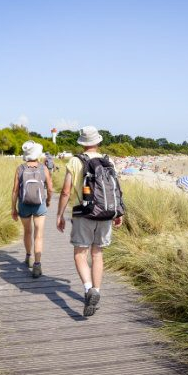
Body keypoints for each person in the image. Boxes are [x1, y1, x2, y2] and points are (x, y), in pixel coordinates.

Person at [56, 126, 124, 317]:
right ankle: (97, 290)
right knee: (97, 254)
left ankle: (89, 290)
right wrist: (118, 213)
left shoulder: (75, 161)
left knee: (80, 254)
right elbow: (115, 189)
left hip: (83, 213)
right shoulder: (108, 160)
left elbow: (66, 191)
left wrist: (59, 215)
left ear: (82, 143)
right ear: (98, 141)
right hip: (105, 212)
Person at [12, 141, 54, 278]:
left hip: (23, 204)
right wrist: (47, 200)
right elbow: (51, 188)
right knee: (38, 235)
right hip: (39, 204)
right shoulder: (43, 168)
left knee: (27, 232)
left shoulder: (20, 168)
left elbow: (15, 191)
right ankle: (37, 264)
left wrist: (13, 208)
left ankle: (28, 257)